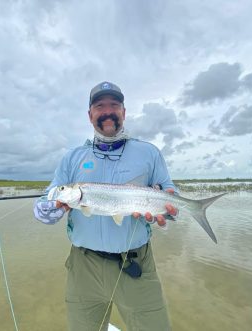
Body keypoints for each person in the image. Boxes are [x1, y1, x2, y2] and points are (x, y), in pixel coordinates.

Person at [34, 81, 178, 331]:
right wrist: (47, 209)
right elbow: (51, 194)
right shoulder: (72, 158)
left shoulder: (149, 153)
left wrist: (165, 209)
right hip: (83, 266)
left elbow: (168, 190)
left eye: (114, 105)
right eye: (100, 106)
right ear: (90, 115)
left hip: (136, 264)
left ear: (124, 112)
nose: (107, 111)